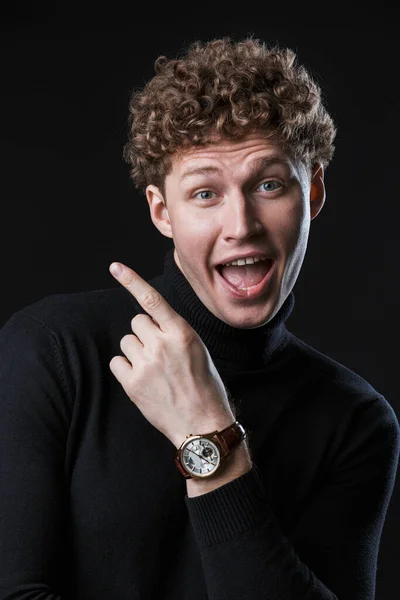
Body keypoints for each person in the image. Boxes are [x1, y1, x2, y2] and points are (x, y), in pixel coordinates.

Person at [0, 37, 398, 600]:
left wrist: (207, 436)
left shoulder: (355, 422)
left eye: (268, 184)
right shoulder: (54, 350)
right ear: (162, 211)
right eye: (206, 192)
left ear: (312, 193)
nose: (242, 224)